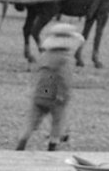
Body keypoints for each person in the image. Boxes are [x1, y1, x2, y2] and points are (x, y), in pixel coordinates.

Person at [16, 21, 83, 151]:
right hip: (56, 93)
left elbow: (38, 72)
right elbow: (65, 77)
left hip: (41, 90)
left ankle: (22, 141)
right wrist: (64, 93)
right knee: (58, 120)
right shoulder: (66, 58)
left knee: (32, 119)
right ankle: (53, 144)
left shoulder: (45, 55)